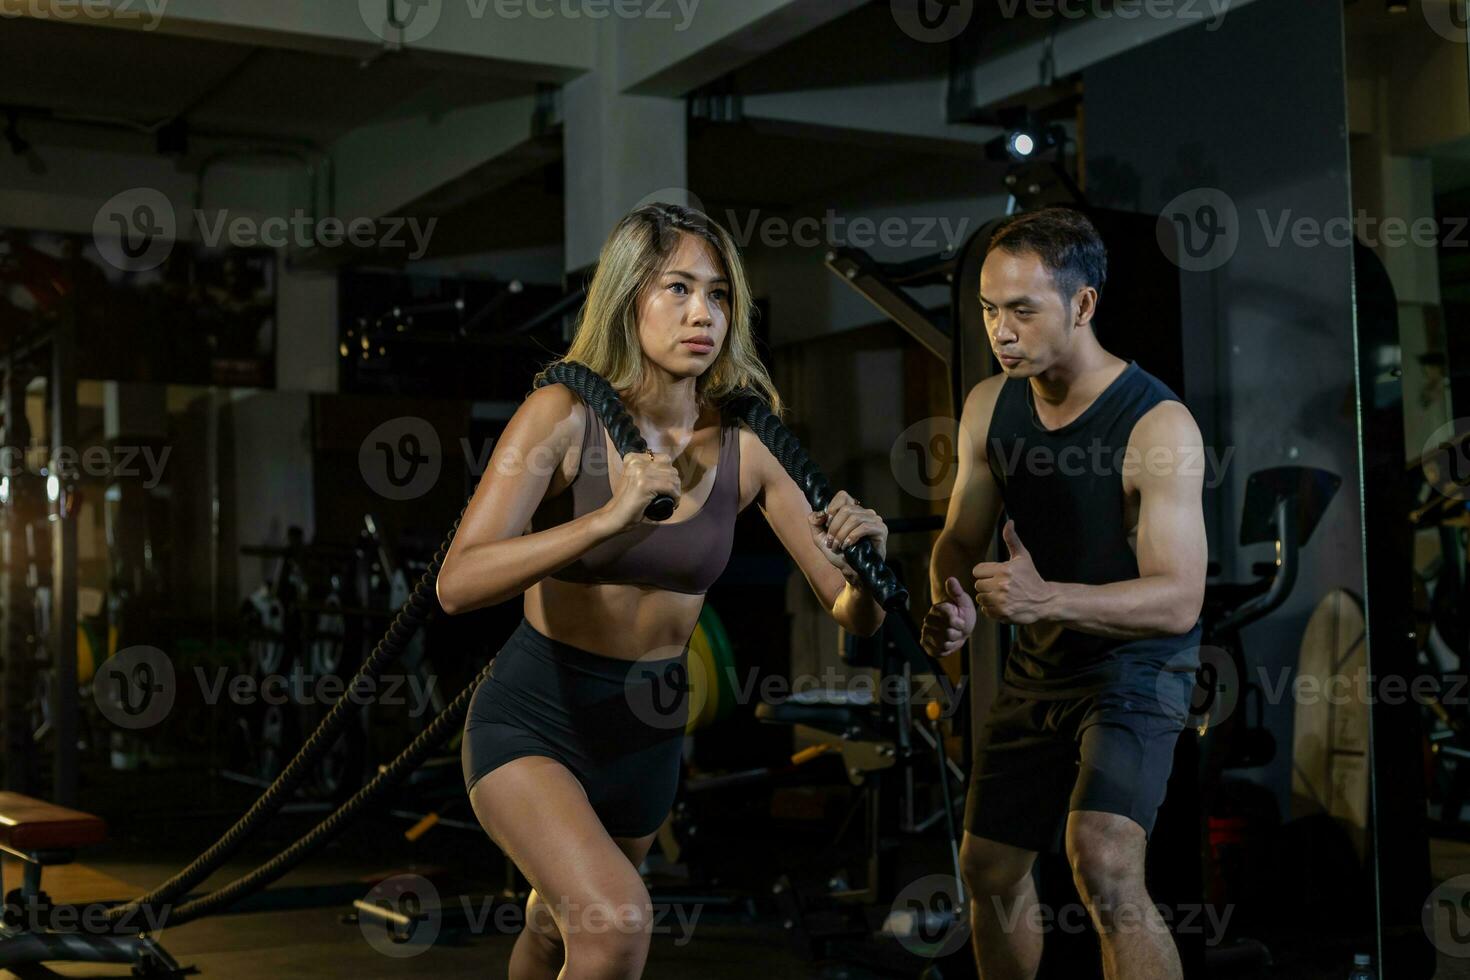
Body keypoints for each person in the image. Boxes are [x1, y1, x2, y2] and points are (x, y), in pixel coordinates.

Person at [437, 202, 889, 980]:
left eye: (718, 295)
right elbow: (458, 582)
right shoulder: (563, 414)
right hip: (536, 717)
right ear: (628, 298)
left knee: (555, 931)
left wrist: (868, 570)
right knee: (614, 927)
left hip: (646, 735)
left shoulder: (748, 442)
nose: (701, 313)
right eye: (677, 289)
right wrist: (603, 519)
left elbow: (848, 609)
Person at [921, 207, 1207, 980]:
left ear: (1082, 306)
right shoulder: (988, 405)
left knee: (1104, 860)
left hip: (1134, 668)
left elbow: (1179, 600)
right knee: (986, 868)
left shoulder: (1158, 425)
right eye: (989, 310)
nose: (1000, 331)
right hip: (1039, 666)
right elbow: (960, 536)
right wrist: (947, 599)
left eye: (1022, 310)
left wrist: (1047, 602)